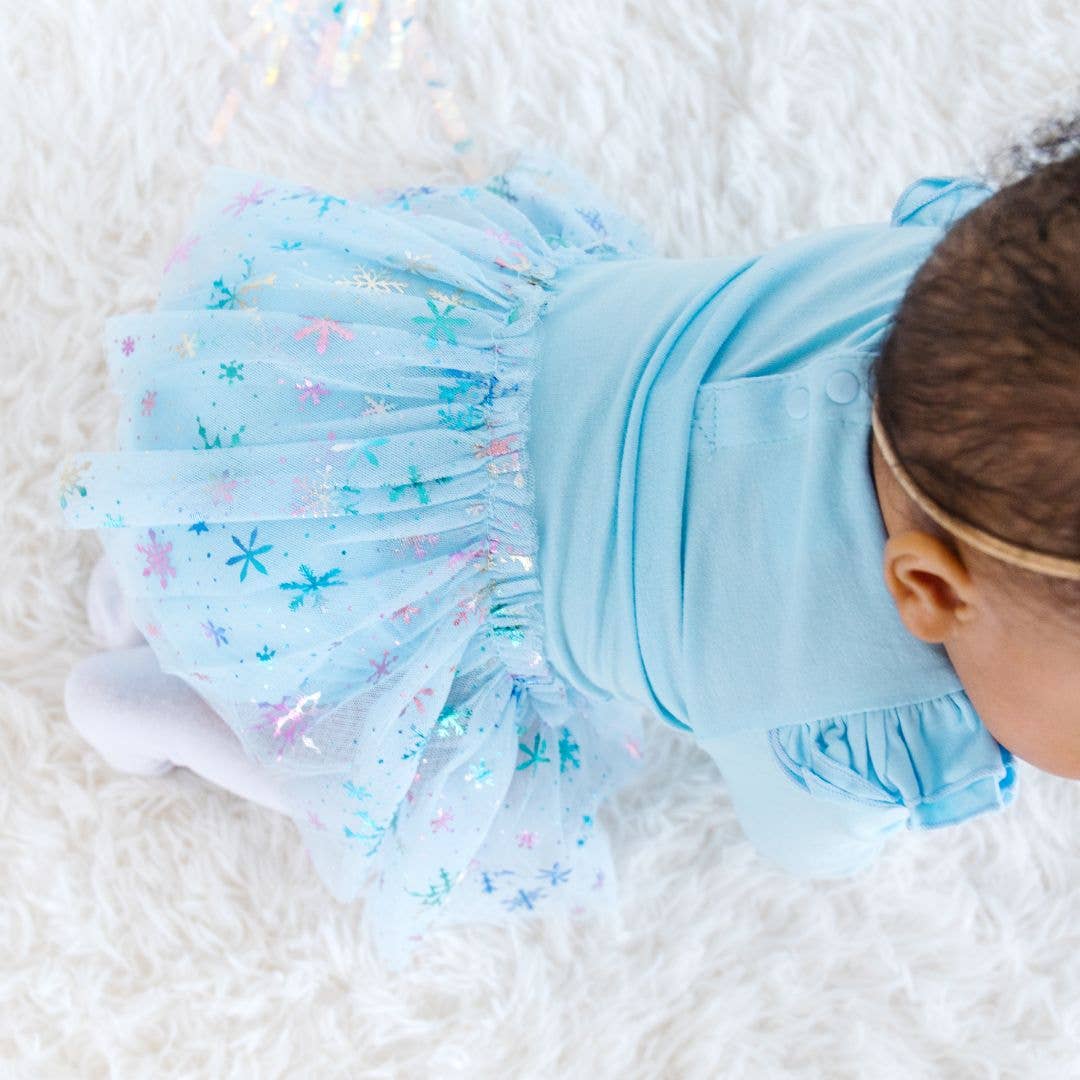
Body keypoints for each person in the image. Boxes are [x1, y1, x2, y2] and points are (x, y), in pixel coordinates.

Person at [55, 114, 1080, 970]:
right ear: (931, 590)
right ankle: (153, 700)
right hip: (426, 597)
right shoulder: (858, 718)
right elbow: (807, 844)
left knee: (277, 546)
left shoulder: (963, 284)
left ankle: (163, 560)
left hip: (380, 373)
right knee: (409, 788)